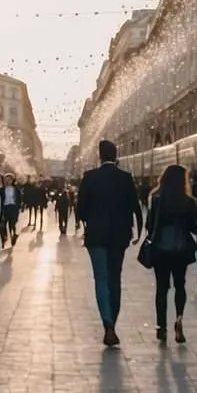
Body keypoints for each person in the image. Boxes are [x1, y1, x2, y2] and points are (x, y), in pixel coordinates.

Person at [76, 140, 143, 347]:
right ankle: (112, 321)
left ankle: (107, 322)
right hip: (119, 236)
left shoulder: (89, 177)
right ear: (116, 156)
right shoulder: (125, 178)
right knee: (115, 277)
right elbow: (136, 207)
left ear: (100, 156)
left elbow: (80, 210)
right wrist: (138, 231)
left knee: (101, 278)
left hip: (96, 236)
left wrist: (90, 220)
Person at [144, 164, 197, 344]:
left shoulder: (156, 199)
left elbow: (150, 226)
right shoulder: (189, 201)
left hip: (161, 248)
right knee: (180, 284)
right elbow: (194, 227)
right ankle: (179, 318)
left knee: (161, 288)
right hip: (180, 248)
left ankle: (161, 327)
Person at [0, 174, 20, 248]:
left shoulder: (16, 189)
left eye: (9, 179)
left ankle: (13, 236)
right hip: (4, 208)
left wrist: (19, 207)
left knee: (12, 224)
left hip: (13, 208)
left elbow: (19, 199)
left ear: (12, 180)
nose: (8, 181)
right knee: (3, 225)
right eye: (6, 179)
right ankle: (4, 237)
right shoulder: (1, 190)